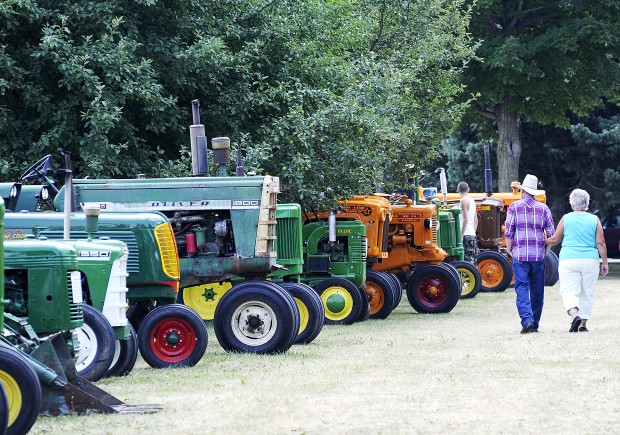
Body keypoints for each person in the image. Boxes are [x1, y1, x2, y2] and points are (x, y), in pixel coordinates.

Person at [545, 189, 609, 332]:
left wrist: (543, 240)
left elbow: (555, 239)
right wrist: (605, 262)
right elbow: (601, 242)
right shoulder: (595, 220)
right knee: (587, 292)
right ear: (587, 203)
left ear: (572, 204)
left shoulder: (566, 218)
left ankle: (575, 316)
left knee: (568, 290)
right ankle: (583, 325)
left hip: (569, 259)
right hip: (590, 260)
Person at [504, 174, 555, 334]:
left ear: (522, 191)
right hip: (538, 256)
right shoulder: (543, 208)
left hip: (520, 256)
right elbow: (551, 235)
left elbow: (509, 231)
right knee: (537, 291)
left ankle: (527, 320)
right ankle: (535, 324)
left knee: (521, 288)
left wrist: (509, 249)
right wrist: (545, 251)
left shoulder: (514, 206)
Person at [458, 181, 478, 263]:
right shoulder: (472, 201)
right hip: (472, 234)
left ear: (458, 190)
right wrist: (474, 232)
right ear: (468, 189)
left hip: (466, 234)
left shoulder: (463, 200)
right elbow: (476, 220)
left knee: (466, 262)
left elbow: (465, 219)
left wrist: (461, 235)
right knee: (472, 260)